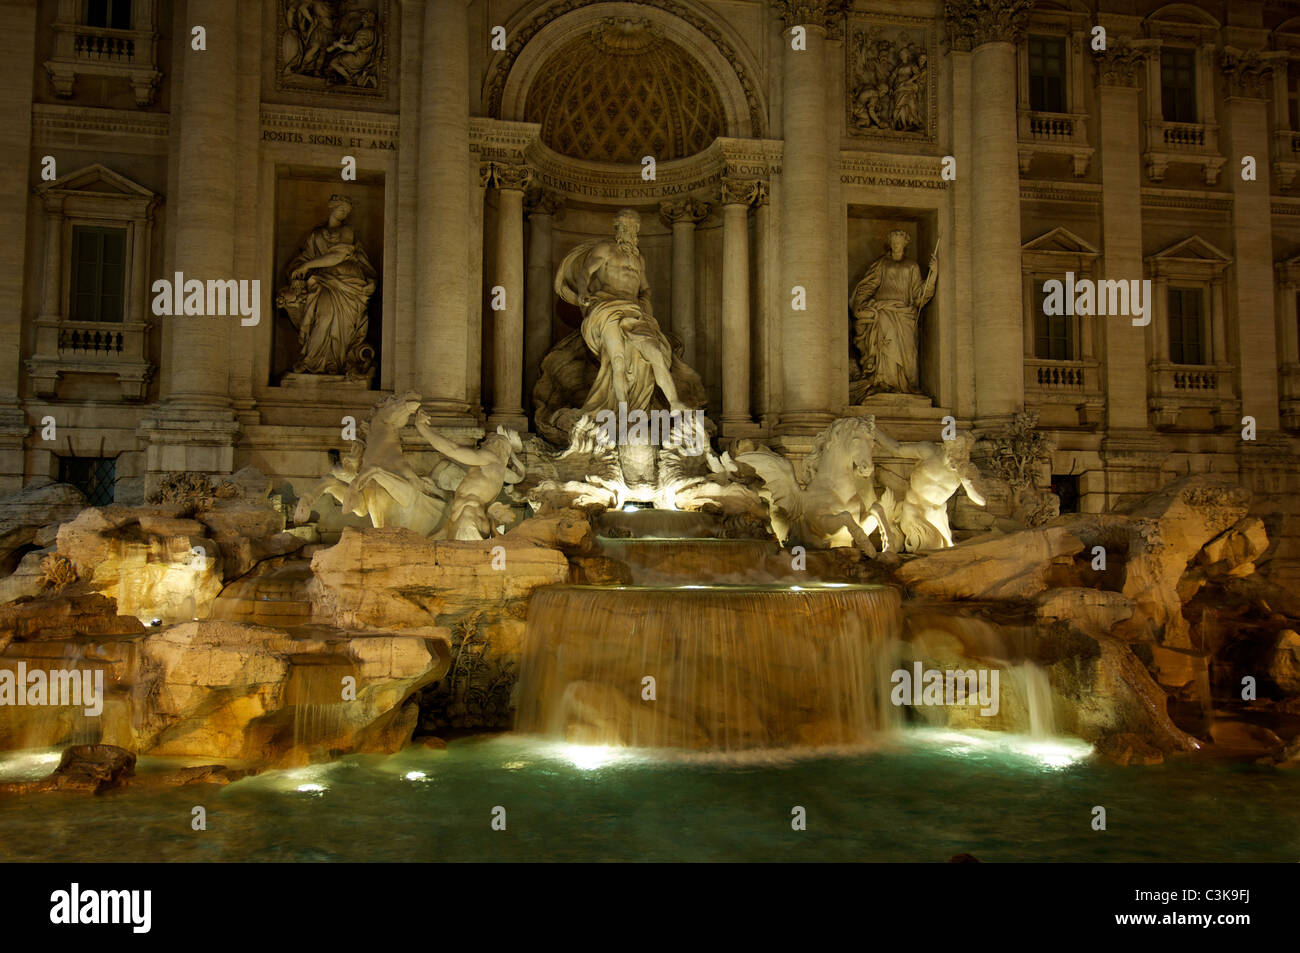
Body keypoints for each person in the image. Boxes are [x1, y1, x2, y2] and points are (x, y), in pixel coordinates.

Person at [555, 209, 684, 414]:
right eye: (624, 226)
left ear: (638, 230)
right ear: (617, 228)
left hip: (634, 312)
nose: (628, 230)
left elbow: (645, 288)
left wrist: (646, 305)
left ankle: (675, 403)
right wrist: (582, 291)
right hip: (606, 307)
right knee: (618, 360)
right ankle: (623, 413)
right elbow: (585, 272)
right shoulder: (605, 249)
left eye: (633, 226)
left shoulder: (639, 259)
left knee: (656, 353)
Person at [283, 194, 376, 378]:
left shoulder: (347, 231)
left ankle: (337, 363)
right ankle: (313, 362)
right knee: (324, 317)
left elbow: (338, 256)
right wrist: (298, 269)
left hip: (348, 285)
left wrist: (307, 266)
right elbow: (304, 258)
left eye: (346, 211)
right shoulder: (315, 235)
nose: (343, 213)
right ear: (331, 207)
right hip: (323, 283)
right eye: (341, 208)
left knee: (343, 326)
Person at [851, 229, 937, 395]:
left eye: (900, 242)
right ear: (890, 244)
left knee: (909, 353)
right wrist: (860, 304)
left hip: (905, 314)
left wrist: (933, 274)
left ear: (905, 244)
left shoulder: (912, 266)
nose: (896, 245)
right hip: (884, 311)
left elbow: (919, 294)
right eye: (894, 242)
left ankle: (905, 385)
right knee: (886, 344)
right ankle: (884, 382)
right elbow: (868, 285)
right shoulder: (881, 264)